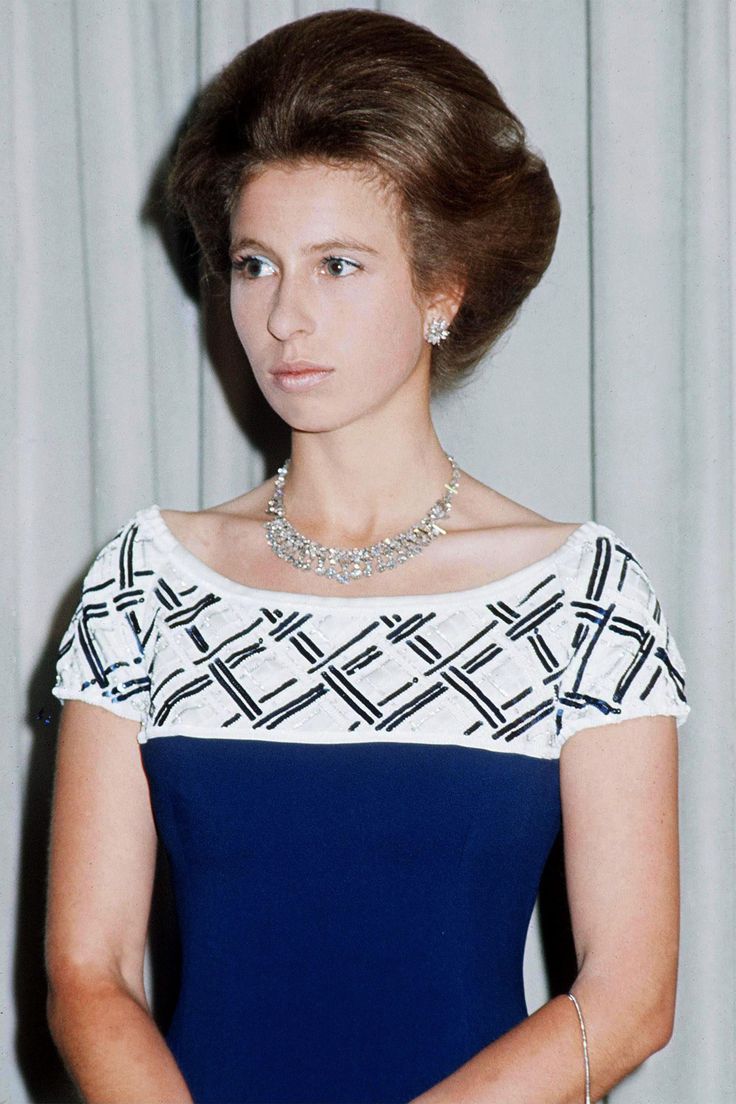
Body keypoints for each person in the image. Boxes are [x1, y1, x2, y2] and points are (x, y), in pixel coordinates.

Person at [45, 9, 690, 1104]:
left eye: (338, 265)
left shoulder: (581, 596)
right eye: (255, 265)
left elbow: (629, 998)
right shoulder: (147, 583)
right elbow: (87, 972)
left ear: (443, 290)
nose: (285, 317)